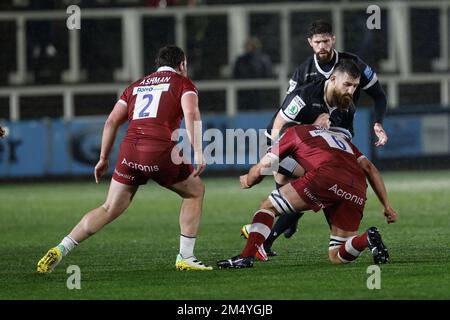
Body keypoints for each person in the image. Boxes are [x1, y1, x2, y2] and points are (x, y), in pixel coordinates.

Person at [37, 45, 212, 273]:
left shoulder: (135, 86)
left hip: (129, 151)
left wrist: (102, 158)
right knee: (195, 191)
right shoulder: (183, 83)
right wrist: (198, 151)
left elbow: (111, 122)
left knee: (109, 207)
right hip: (159, 150)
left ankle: (61, 248)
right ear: (182, 65)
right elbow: (191, 113)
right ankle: (185, 257)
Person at [259, 19, 390, 251]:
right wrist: (276, 144)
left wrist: (378, 122)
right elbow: (288, 108)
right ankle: (345, 239)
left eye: (326, 41)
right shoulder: (303, 72)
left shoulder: (353, 64)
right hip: (310, 135)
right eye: (317, 42)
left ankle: (272, 234)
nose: (322, 46)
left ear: (333, 40)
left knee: (320, 183)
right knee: (295, 183)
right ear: (310, 43)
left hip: (339, 131)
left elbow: (379, 95)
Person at [218, 124, 398, 269]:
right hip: (357, 187)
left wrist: (248, 180)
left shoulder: (292, 132)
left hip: (326, 176)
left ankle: (245, 257)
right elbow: (369, 168)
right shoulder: (338, 138)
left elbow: (261, 168)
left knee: (267, 207)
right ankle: (367, 238)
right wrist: (386, 205)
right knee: (336, 255)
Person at [233, 37, 274, 110]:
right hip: (244, 93)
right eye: (248, 45)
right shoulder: (240, 60)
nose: (249, 47)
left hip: (260, 93)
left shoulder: (263, 59)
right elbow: (236, 75)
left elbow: (268, 75)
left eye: (252, 45)